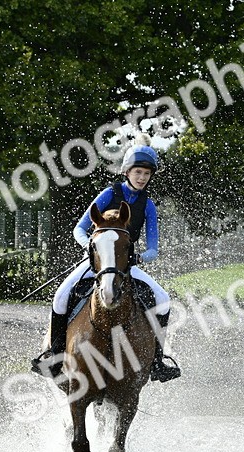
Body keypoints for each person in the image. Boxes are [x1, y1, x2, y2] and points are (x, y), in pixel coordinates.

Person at [30, 144, 182, 382]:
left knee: (162, 299)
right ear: (127, 172)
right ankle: (56, 356)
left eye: (146, 174)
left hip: (126, 265)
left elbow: (154, 247)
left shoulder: (148, 205)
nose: (142, 178)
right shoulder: (110, 194)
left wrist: (142, 256)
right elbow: (79, 229)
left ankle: (157, 361)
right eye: (137, 172)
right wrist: (90, 248)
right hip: (95, 263)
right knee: (61, 296)